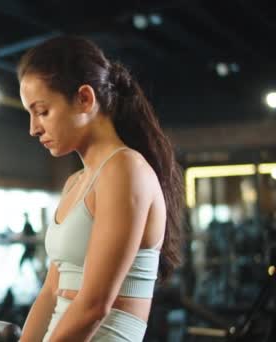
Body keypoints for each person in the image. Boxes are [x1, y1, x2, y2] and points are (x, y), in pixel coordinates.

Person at [17, 35, 184, 341]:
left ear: (84, 99)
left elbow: (94, 306)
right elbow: (52, 290)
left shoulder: (125, 169)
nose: (33, 128)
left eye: (42, 111)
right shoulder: (75, 183)